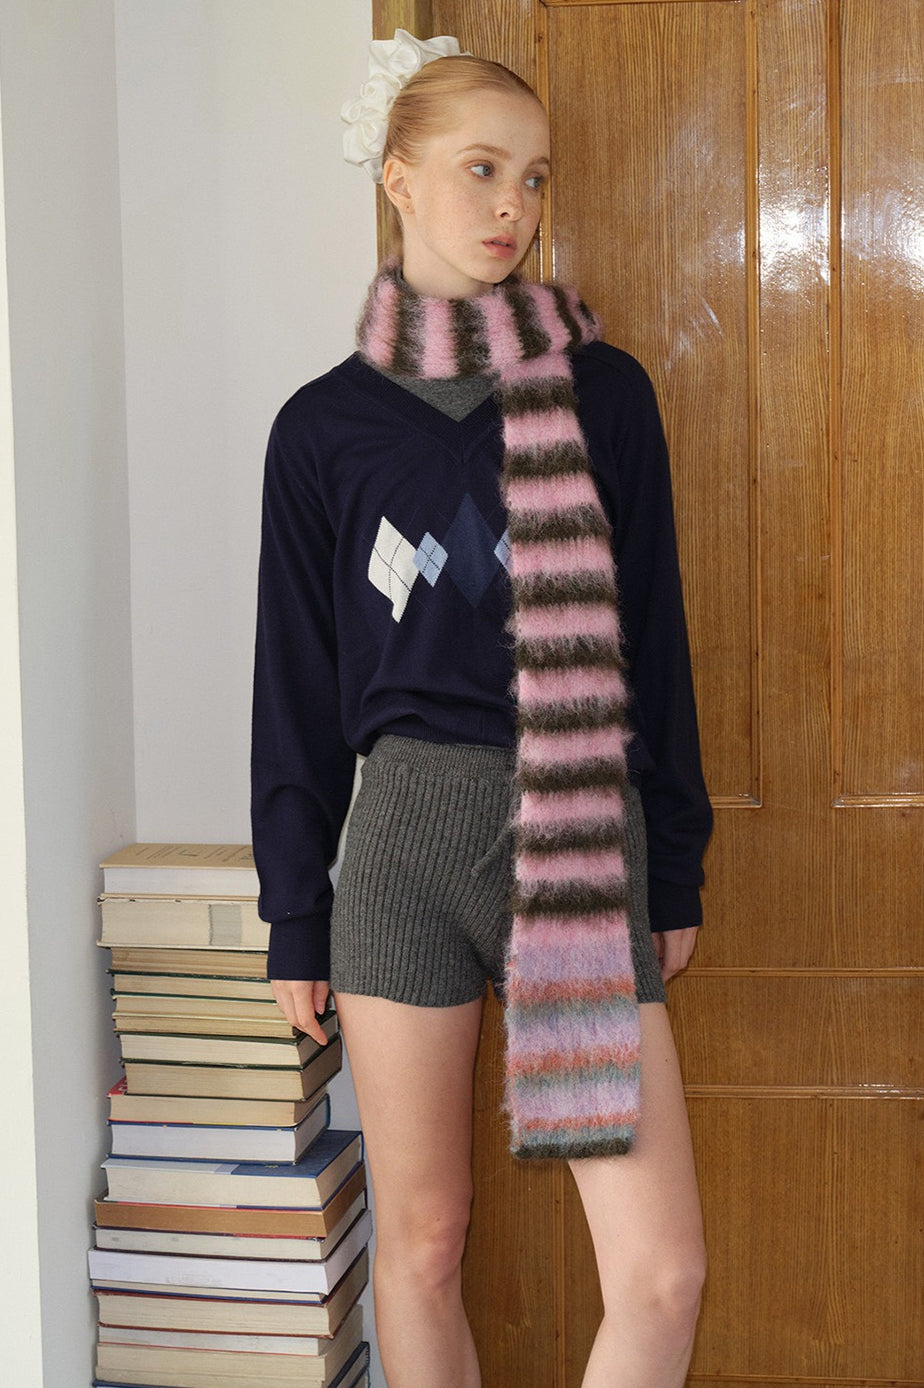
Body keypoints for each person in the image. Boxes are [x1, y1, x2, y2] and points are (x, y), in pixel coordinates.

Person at [252, 29, 711, 1388]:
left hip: (575, 843)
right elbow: (295, 684)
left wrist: (675, 862)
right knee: (424, 1243)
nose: (515, 205)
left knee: (662, 1272)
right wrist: (295, 911)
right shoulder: (323, 430)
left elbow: (655, 643)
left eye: (535, 177)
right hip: (401, 848)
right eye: (482, 169)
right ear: (398, 178)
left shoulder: (604, 394)